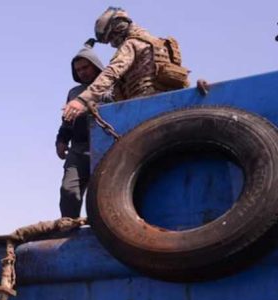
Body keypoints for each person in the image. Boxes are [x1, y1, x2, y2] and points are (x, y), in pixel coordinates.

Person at [62, 7, 189, 123]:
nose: (112, 44)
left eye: (111, 38)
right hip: (171, 103)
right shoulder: (160, 44)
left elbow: (112, 72)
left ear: (118, 28)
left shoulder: (132, 44)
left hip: (144, 104)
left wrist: (82, 100)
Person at [56, 43, 107, 219]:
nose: (83, 72)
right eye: (78, 70)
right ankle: (68, 230)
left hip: (107, 146)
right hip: (79, 148)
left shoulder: (111, 88)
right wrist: (61, 140)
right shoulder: (74, 93)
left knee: (104, 196)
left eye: (86, 67)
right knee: (69, 191)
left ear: (95, 66)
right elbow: (67, 122)